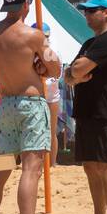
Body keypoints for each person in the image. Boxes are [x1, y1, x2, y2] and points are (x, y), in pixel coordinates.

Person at [0, 0, 60, 214]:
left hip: (6, 104)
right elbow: (55, 68)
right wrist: (43, 66)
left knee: (1, 170)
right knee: (30, 169)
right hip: (31, 103)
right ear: (27, 4)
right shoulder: (32, 35)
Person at [63, 0, 107, 214]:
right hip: (86, 110)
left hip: (103, 110)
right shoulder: (90, 43)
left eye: (91, 11)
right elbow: (69, 75)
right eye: (85, 11)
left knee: (105, 164)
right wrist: (75, 74)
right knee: (89, 165)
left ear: (106, 12)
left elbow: (77, 70)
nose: (86, 15)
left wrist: (76, 74)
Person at [33, 22, 62, 164]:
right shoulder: (29, 54)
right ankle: (37, 162)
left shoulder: (53, 52)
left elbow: (57, 76)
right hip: (36, 97)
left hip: (51, 96)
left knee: (51, 131)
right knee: (34, 131)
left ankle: (53, 163)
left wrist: (43, 77)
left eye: (45, 36)